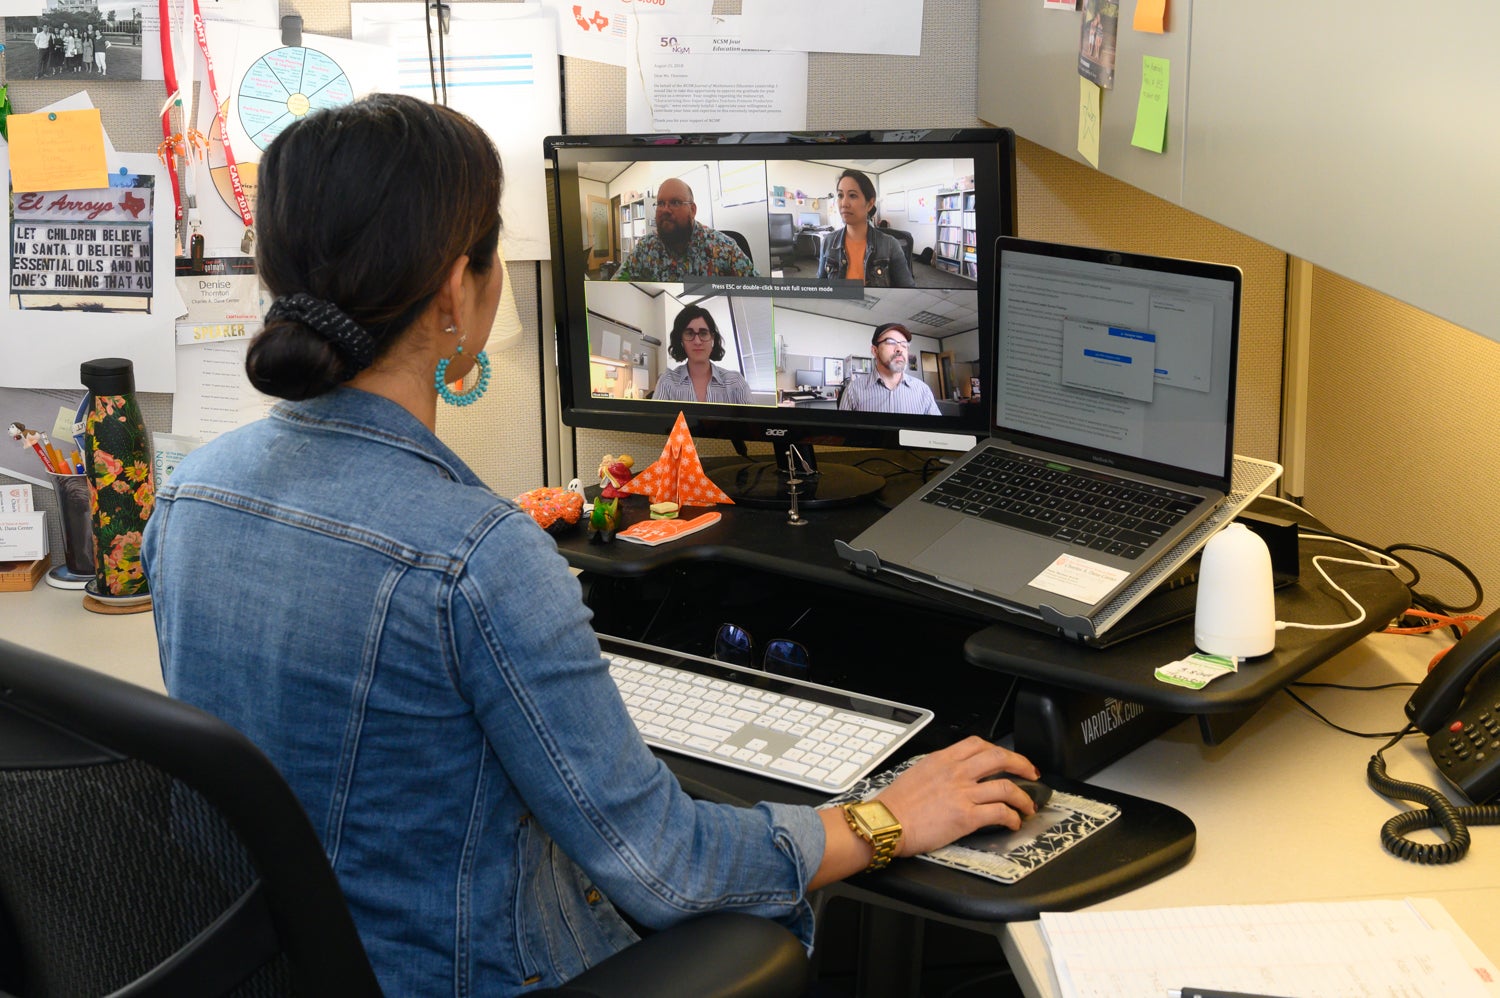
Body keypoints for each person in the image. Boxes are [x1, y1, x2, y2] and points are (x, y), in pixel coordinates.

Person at [141, 94, 1039, 997]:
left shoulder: (186, 499)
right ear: (460, 290)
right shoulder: (478, 558)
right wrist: (883, 819)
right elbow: (666, 866)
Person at [614, 178, 758, 281]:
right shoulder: (646, 247)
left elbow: (758, 291)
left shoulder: (724, 248)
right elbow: (617, 286)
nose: (665, 210)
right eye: (660, 203)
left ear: (693, 210)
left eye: (675, 202)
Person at [817, 168, 914, 288]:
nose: (844, 203)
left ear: (869, 204)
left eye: (852, 195)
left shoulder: (890, 245)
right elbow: (820, 288)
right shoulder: (828, 242)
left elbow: (908, 291)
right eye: (840, 195)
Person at [651, 305, 753, 404]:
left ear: (712, 338)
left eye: (703, 333)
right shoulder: (667, 383)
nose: (697, 341)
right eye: (689, 333)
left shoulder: (735, 382)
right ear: (681, 339)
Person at [839, 322, 942, 415]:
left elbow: (938, 433)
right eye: (891, 342)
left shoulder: (923, 390)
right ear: (875, 351)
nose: (899, 349)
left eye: (904, 345)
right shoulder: (853, 390)